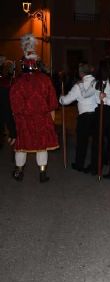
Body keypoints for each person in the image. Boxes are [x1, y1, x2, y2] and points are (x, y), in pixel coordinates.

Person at [9, 34, 59, 182]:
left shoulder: (17, 82)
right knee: (42, 146)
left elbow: (14, 104)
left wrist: (15, 119)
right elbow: (52, 102)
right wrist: (52, 116)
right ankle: (42, 174)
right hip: (42, 119)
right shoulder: (45, 80)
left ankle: (19, 172)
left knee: (22, 146)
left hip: (24, 120)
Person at [59, 63, 98, 173]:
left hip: (84, 117)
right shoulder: (97, 82)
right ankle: (95, 165)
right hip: (96, 115)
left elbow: (66, 101)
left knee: (82, 142)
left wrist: (61, 98)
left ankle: (79, 164)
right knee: (96, 142)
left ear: (81, 73)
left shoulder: (78, 86)